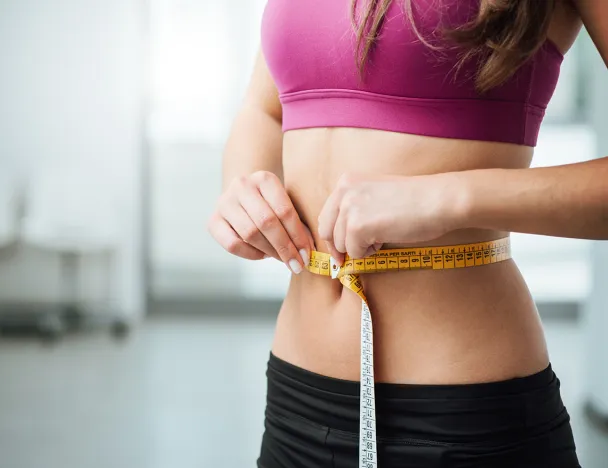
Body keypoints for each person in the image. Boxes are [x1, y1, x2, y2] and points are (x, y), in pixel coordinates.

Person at [208, 0, 607, 467]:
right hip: (296, 402)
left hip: (462, 418)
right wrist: (244, 185)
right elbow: (266, 107)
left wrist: (446, 198)